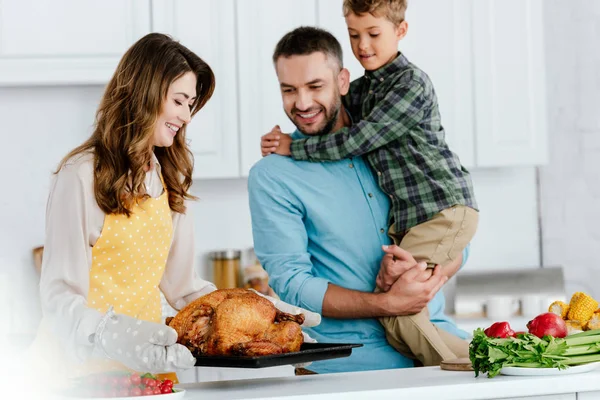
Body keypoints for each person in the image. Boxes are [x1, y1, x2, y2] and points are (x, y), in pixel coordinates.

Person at [27, 33, 319, 393]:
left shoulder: (167, 178)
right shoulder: (82, 175)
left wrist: (264, 317)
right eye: (179, 101)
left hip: (151, 373)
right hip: (77, 376)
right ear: (144, 94)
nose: (185, 115)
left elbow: (185, 291)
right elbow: (59, 298)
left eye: (191, 104)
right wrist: (111, 334)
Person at [260, 0, 479, 367]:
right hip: (348, 368)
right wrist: (389, 302)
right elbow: (292, 285)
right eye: (288, 90)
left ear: (343, 81)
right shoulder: (274, 175)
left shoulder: (386, 146)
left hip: (438, 341)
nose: (302, 102)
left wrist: (416, 273)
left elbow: (457, 243)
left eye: (316, 85)